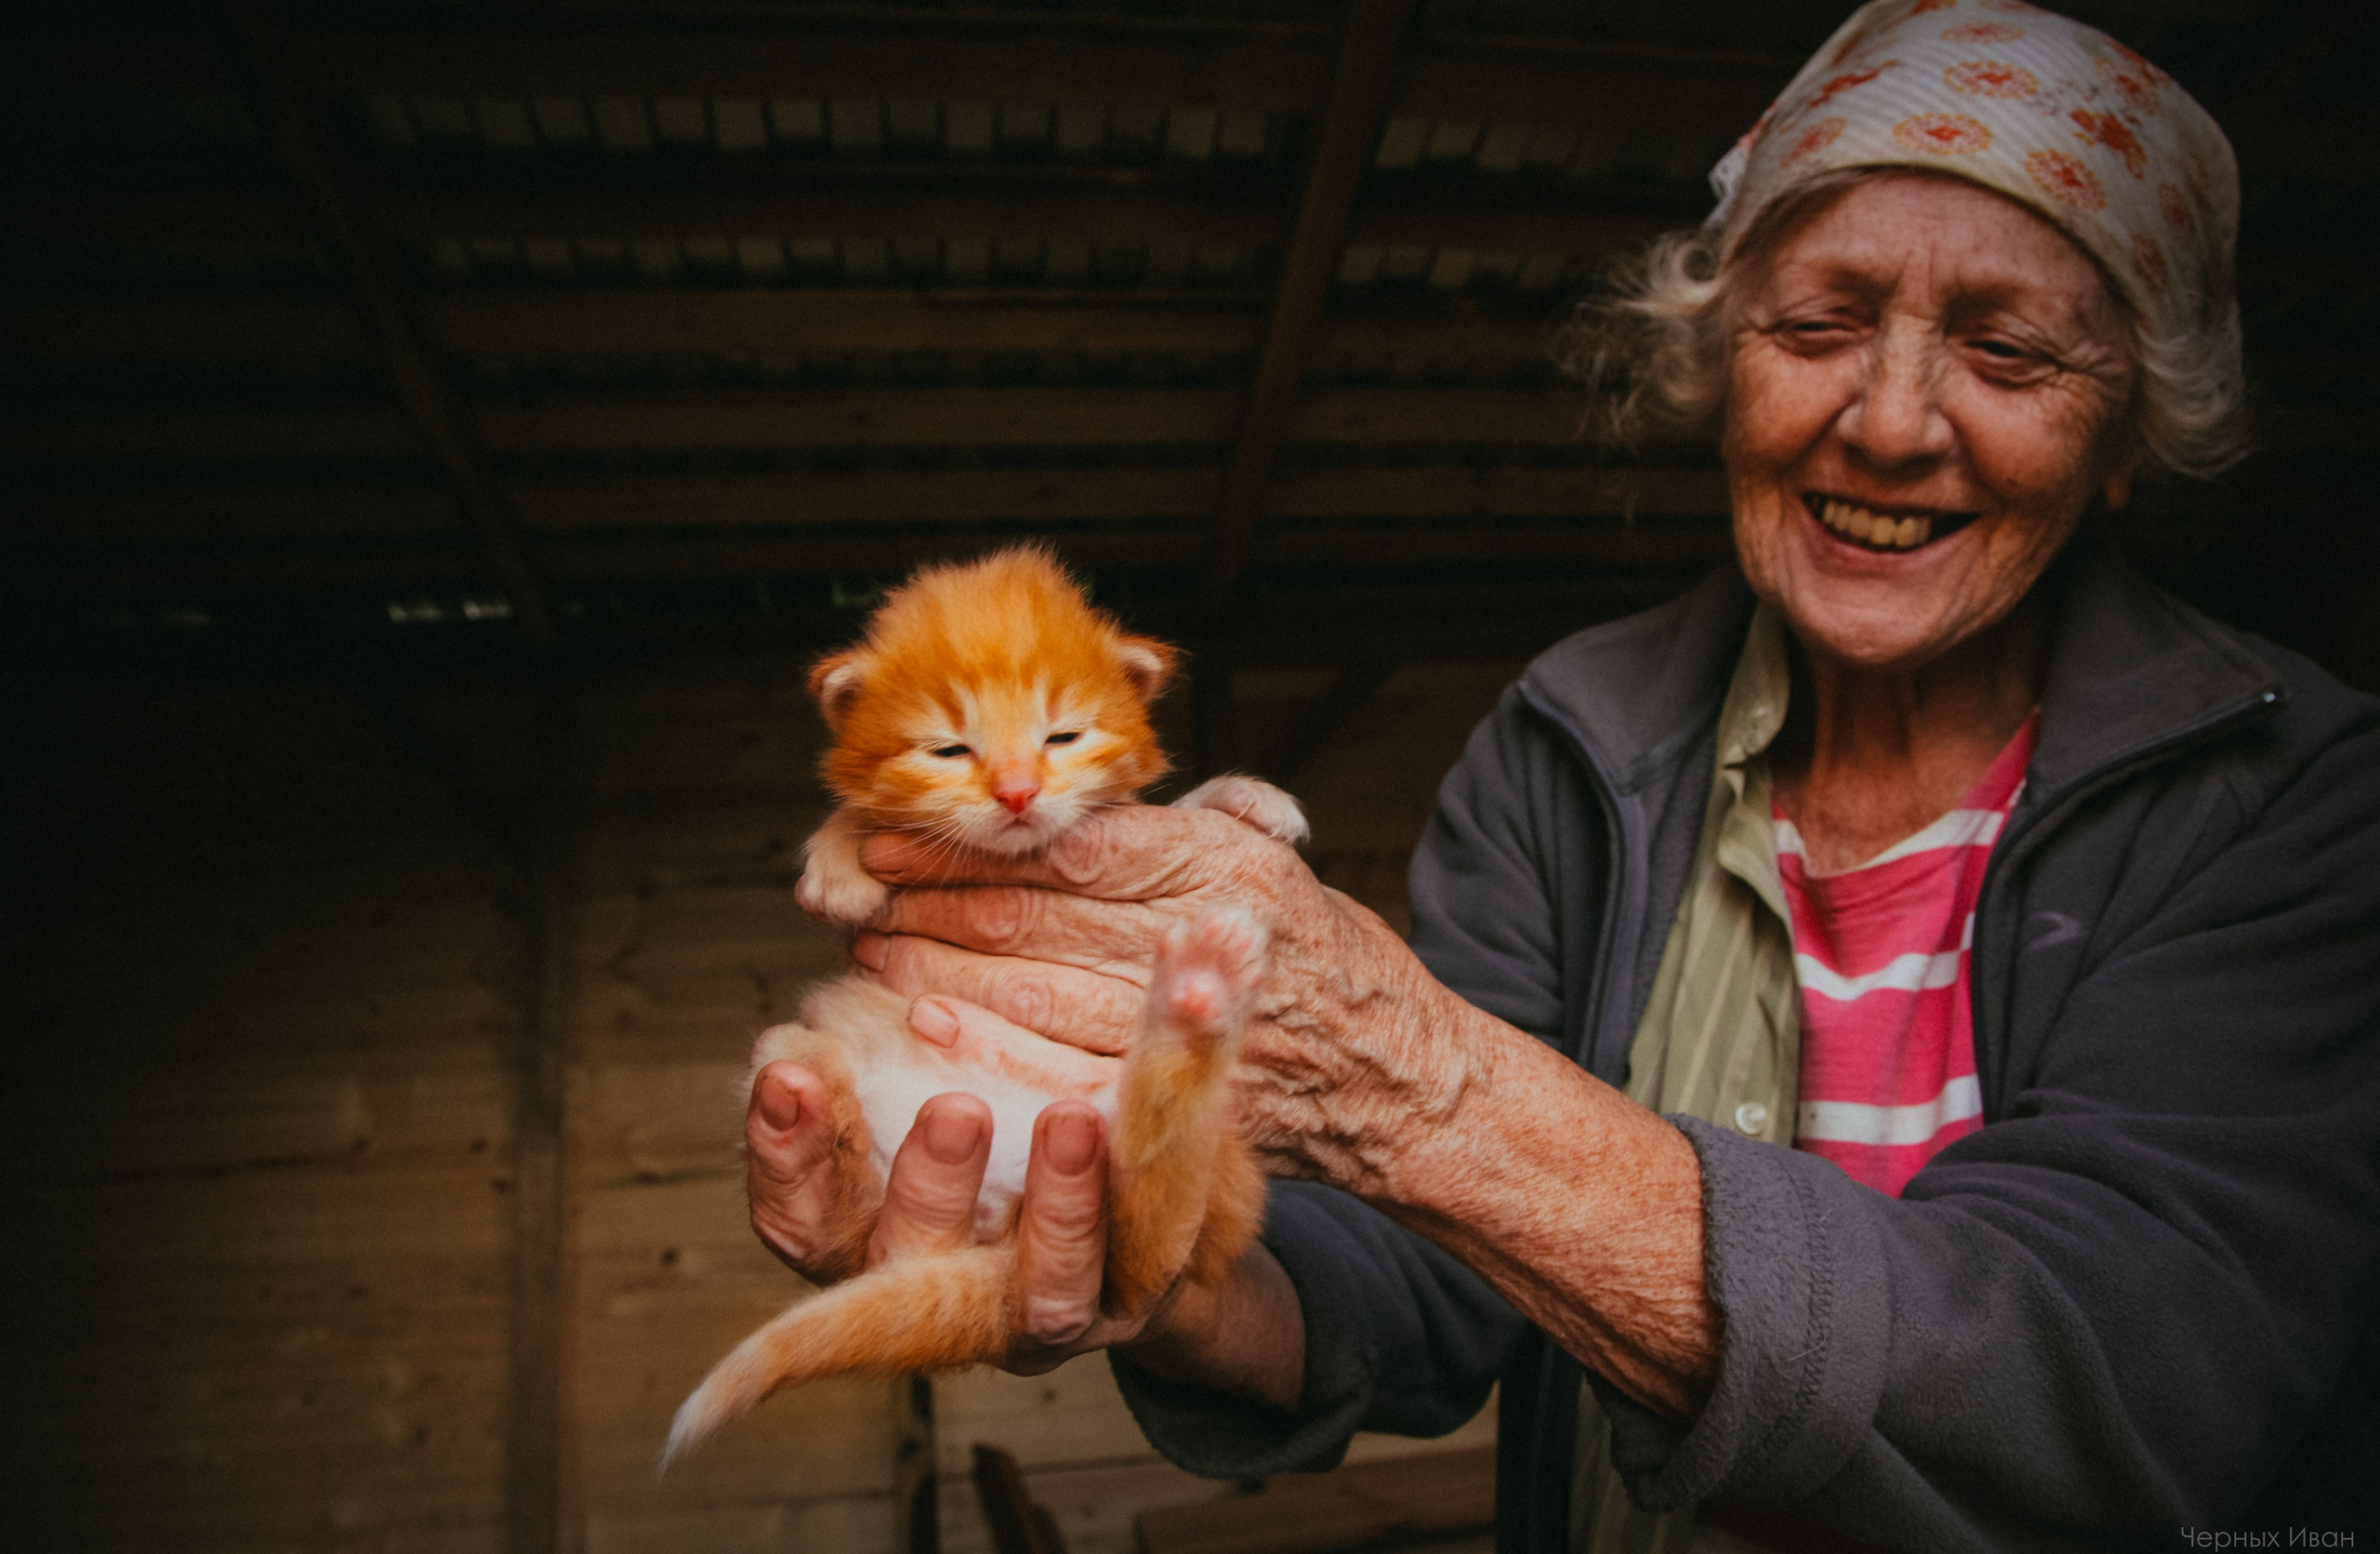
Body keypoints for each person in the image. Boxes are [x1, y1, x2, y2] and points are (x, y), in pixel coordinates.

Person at [744, 4, 2380, 1547]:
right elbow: (1400, 1290)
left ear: (2125, 445)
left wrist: (1423, 1089)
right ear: (1722, 364)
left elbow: (2116, 1393)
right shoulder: (1570, 745)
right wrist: (1133, 1254)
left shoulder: (2292, 791)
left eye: (2010, 355)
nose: (1888, 424)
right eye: (1817, 324)